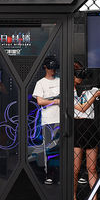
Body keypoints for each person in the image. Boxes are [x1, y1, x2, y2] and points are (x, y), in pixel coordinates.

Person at [72, 61, 100, 200]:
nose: (79, 75)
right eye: (76, 72)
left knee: (92, 168)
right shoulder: (65, 91)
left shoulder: (91, 89)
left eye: (80, 72)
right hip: (76, 127)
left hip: (90, 128)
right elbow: (82, 108)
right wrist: (94, 95)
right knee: (75, 169)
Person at [32, 55, 60, 184]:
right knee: (49, 149)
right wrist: (55, 101)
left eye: (54, 68)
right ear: (45, 67)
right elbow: (40, 101)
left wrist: (49, 101)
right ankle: (50, 175)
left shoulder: (60, 81)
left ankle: (59, 175)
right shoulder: (41, 83)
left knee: (60, 149)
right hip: (48, 121)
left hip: (61, 119)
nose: (52, 70)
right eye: (50, 68)